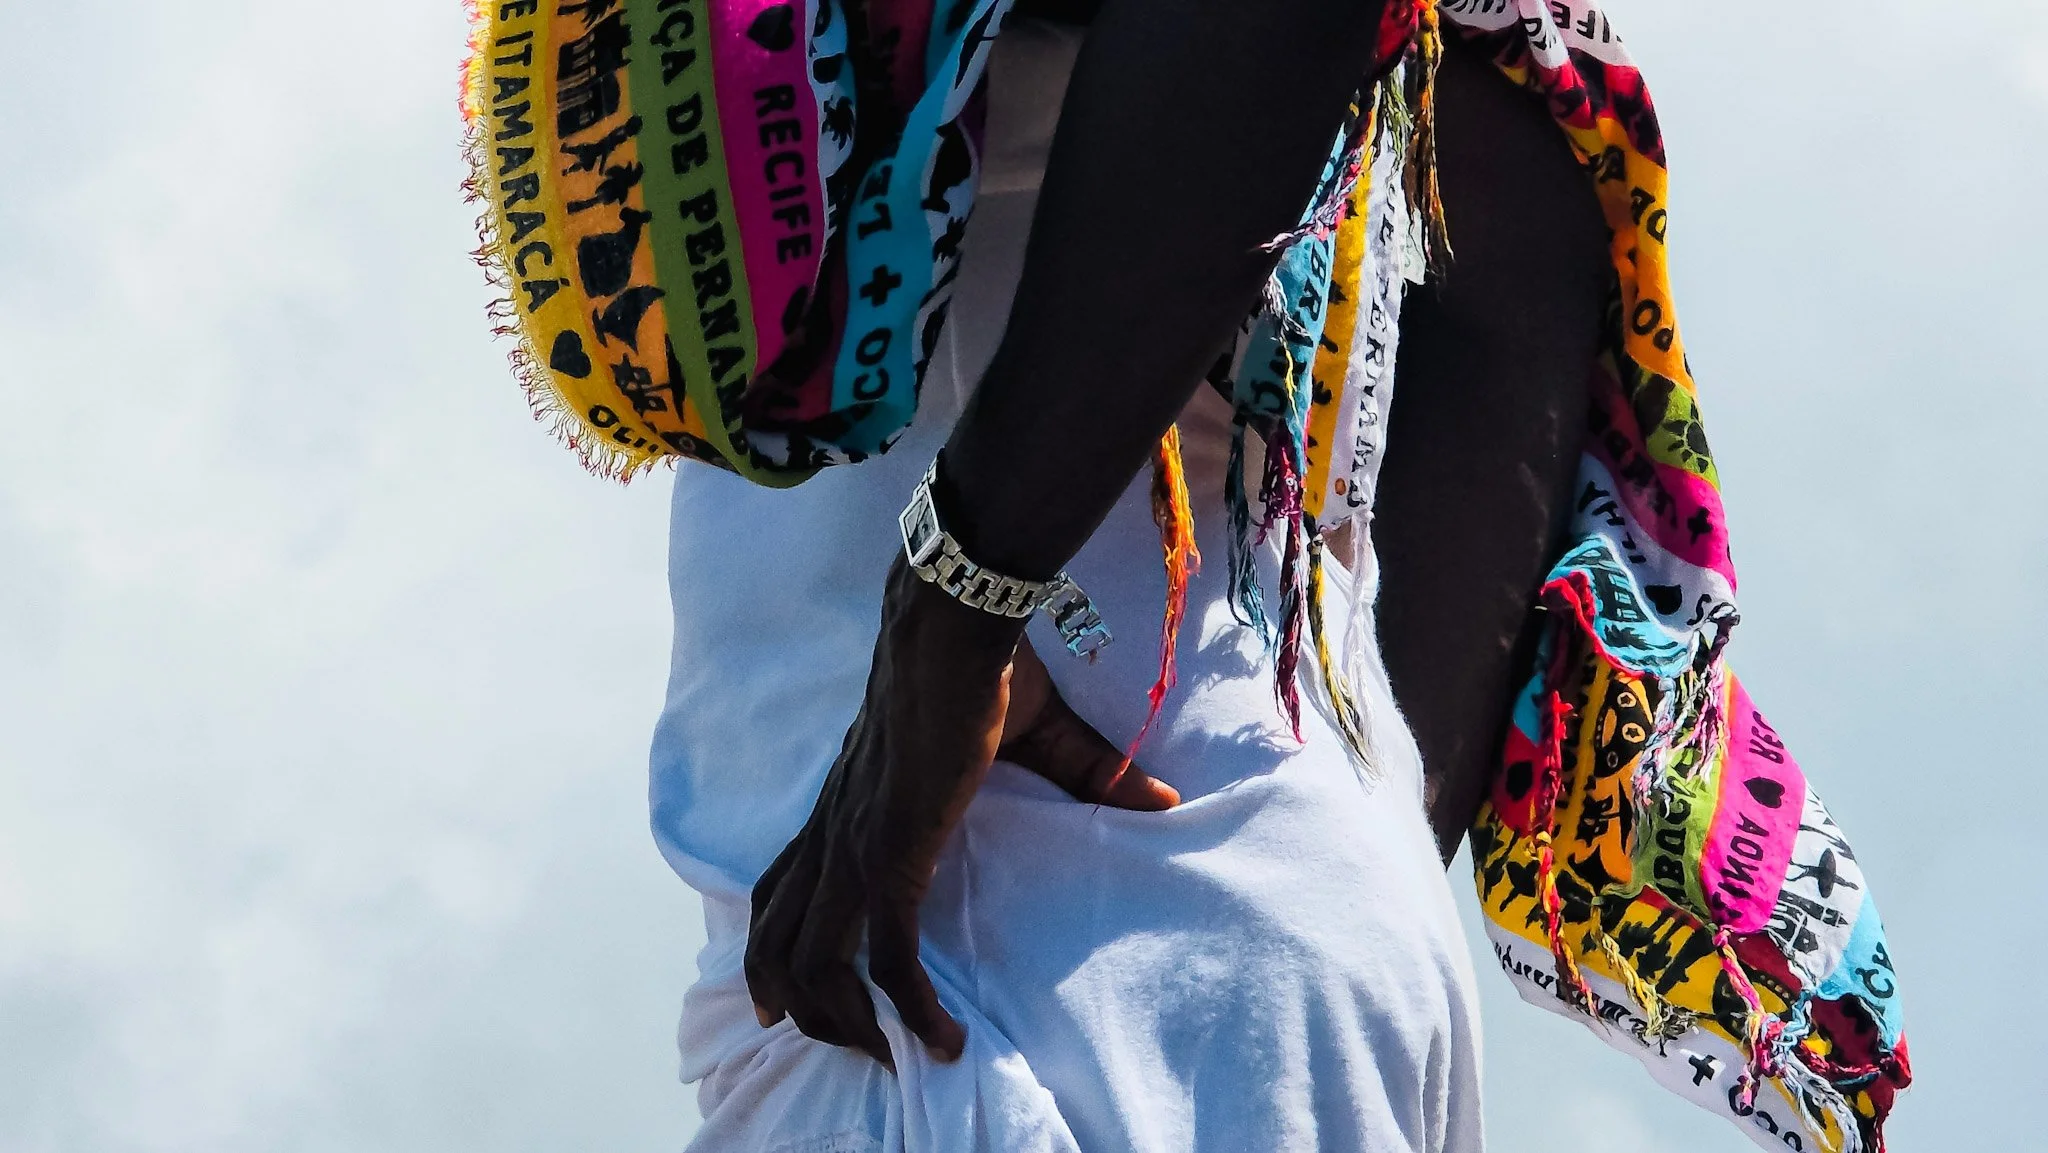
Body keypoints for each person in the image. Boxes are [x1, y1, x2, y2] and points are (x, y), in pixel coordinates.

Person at [647, 3, 1609, 1149]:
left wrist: (965, 599)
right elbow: (1512, 256)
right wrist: (1336, 838)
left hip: (992, 965)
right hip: (1211, 939)